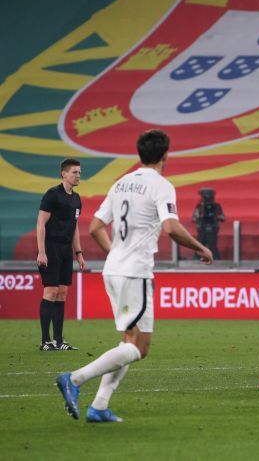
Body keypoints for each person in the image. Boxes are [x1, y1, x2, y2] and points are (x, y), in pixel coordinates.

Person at [55, 130, 212, 423]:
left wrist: (117, 253)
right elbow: (171, 227)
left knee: (129, 340)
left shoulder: (121, 183)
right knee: (139, 347)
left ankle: (99, 406)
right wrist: (202, 247)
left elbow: (95, 227)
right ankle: (74, 379)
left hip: (113, 269)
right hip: (134, 273)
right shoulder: (161, 185)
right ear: (166, 155)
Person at [36, 158, 85, 351]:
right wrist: (41, 251)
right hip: (50, 247)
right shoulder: (52, 195)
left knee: (62, 294)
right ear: (64, 174)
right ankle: (45, 341)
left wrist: (79, 253)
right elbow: (41, 223)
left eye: (79, 172)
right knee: (51, 291)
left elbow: (74, 227)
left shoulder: (77, 199)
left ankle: (58, 340)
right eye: (74, 172)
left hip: (66, 250)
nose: (78, 175)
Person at [192, 188, 225, 259]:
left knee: (213, 247)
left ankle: (216, 262)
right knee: (199, 247)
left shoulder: (217, 206)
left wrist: (216, 216)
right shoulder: (199, 206)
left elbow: (222, 218)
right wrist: (199, 216)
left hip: (213, 229)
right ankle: (195, 262)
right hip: (202, 229)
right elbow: (194, 218)